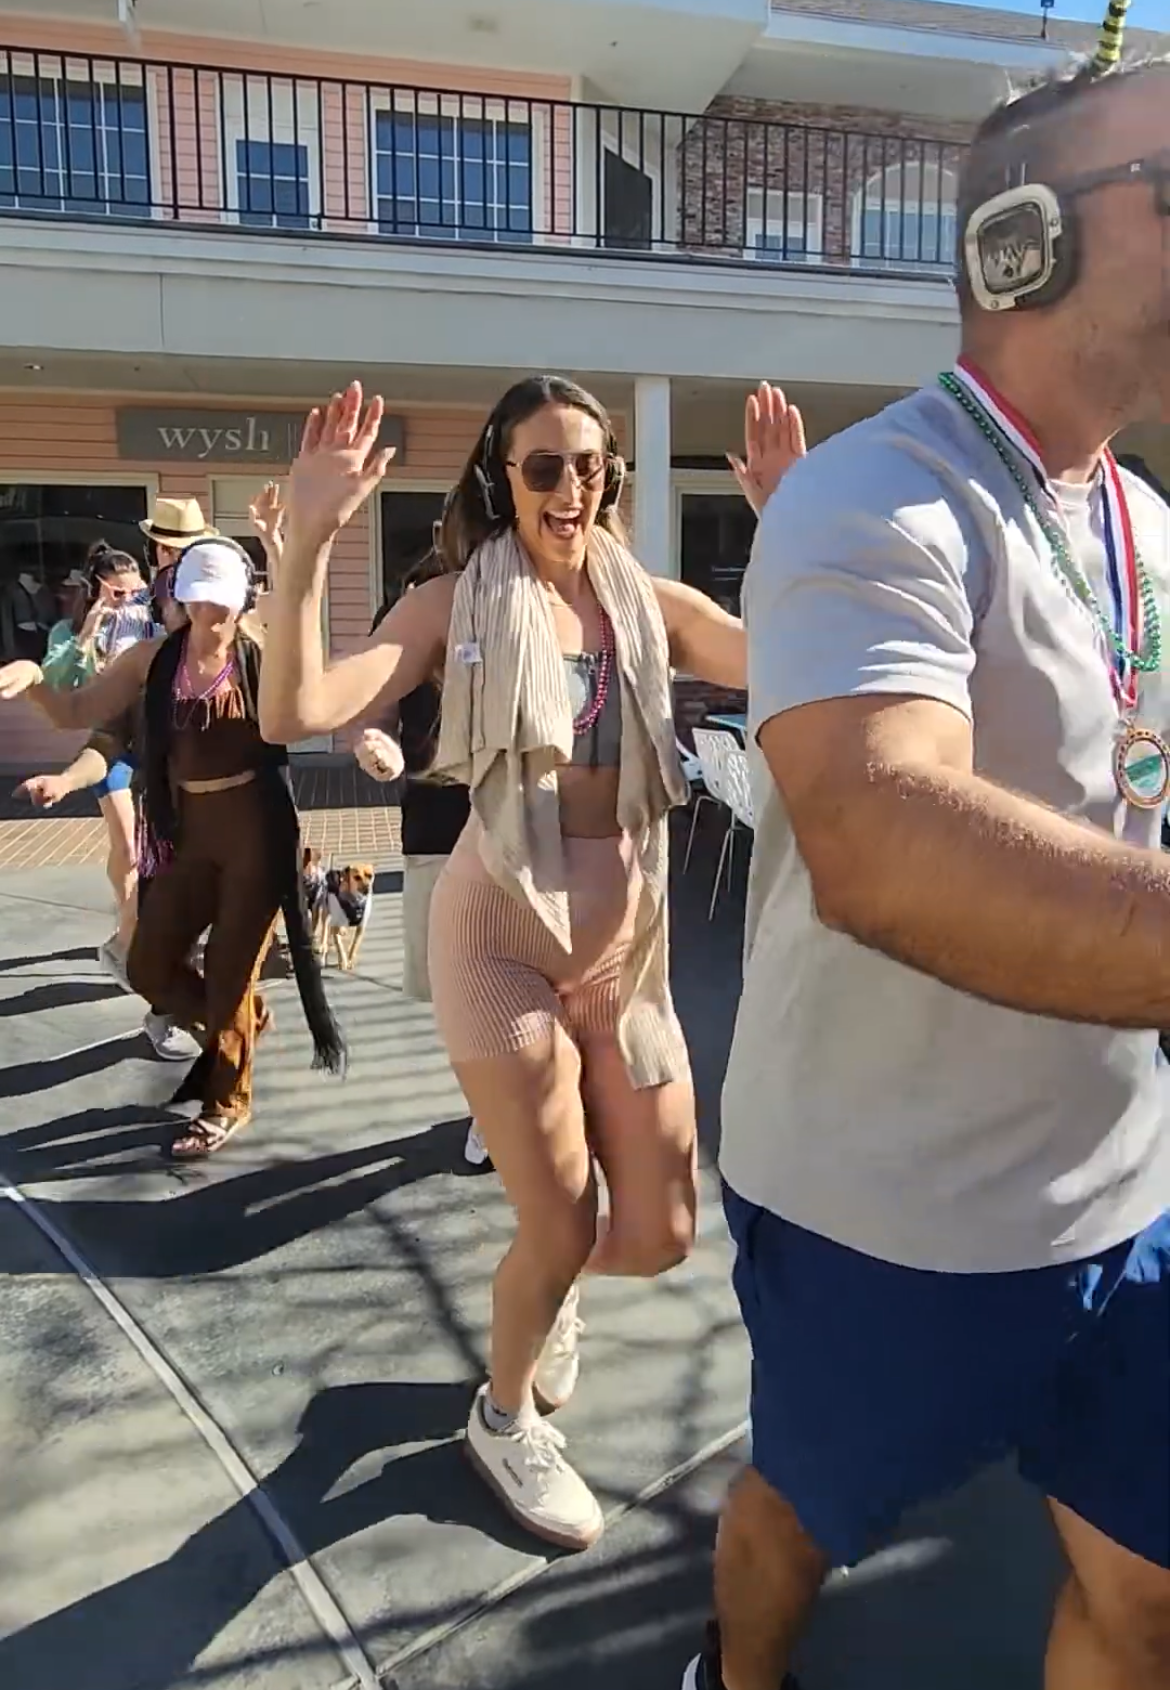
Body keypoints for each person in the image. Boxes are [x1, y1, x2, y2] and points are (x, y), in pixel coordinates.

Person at [686, 31, 1170, 1690]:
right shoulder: (870, 499)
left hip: (1126, 1189)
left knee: (1148, 1594)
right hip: (881, 1216)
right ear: (1018, 243)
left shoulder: (1152, 530)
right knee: (793, 1526)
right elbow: (883, 837)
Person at [258, 373, 802, 1552]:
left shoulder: (648, 604)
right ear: (501, 479)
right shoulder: (454, 601)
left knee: (659, 1231)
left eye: (590, 465)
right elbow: (294, 705)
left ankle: (543, 1292)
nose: (571, 488)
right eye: (544, 466)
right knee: (557, 1220)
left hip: (625, 959)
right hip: (498, 940)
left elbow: (797, 659)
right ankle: (501, 1419)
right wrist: (306, 542)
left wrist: (792, 523)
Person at [0, 538, 344, 1158]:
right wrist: (35, 684)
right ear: (180, 599)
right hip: (186, 834)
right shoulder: (153, 660)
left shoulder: (260, 653)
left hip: (256, 837)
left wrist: (285, 551)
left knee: (230, 974)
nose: (209, 613)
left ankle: (225, 1102)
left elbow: (314, 698)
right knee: (148, 967)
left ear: (242, 601)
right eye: (197, 599)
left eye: (221, 601)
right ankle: (236, 1023)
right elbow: (81, 715)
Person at [360, 540, 486, 1168]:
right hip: (434, 828)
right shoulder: (401, 642)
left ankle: (502, 1106)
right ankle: (487, 1103)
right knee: (450, 989)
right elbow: (374, 716)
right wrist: (377, 745)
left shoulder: (505, 635)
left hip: (511, 827)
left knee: (511, 980)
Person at [36, 540, 155, 985]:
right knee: (127, 847)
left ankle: (129, 928)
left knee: (151, 850)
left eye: (136, 592)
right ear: (96, 588)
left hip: (151, 738)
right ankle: (127, 926)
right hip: (108, 740)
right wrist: (89, 632)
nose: (128, 602)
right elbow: (58, 683)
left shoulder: (150, 620)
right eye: (117, 594)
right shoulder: (67, 632)